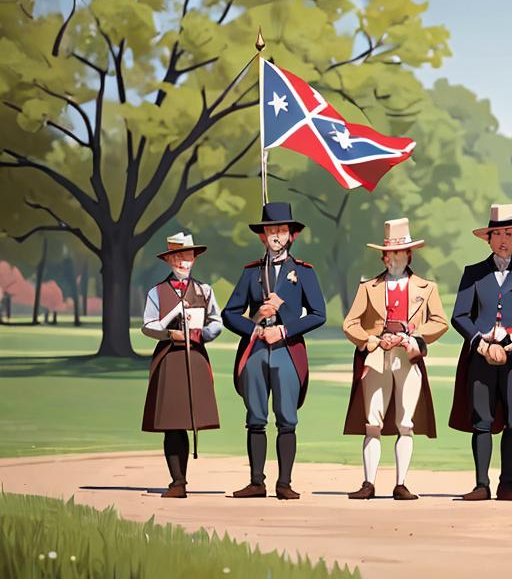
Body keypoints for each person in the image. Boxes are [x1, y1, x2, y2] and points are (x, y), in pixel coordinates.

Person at [222, 202, 326, 500]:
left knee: (286, 417)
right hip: (255, 349)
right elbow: (230, 313)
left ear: (292, 235)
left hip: (287, 350)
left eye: (282, 230)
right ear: (262, 236)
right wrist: (254, 326)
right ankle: (256, 482)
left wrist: (284, 328)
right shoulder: (251, 272)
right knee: (255, 415)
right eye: (271, 230)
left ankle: (284, 483)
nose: (276, 235)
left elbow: (319, 314)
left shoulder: (303, 272)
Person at [342, 218, 448, 500]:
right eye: (389, 253)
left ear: (409, 254)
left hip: (407, 355)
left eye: (399, 253)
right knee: (372, 420)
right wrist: (372, 340)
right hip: (377, 356)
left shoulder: (427, 288)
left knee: (406, 422)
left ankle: (401, 483)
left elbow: (440, 321)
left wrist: (413, 336)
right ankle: (368, 482)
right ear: (383, 256)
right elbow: (350, 323)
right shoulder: (369, 287)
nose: (393, 258)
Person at [448, 203, 512, 501]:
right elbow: (460, 316)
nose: (503, 240)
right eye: (497, 234)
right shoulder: (473, 273)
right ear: (488, 240)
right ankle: (481, 483)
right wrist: (481, 343)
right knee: (482, 420)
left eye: (509, 234)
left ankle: (508, 484)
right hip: (480, 356)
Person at [141, 231, 222, 498]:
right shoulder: (157, 292)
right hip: (169, 359)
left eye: (186, 255)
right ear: (169, 260)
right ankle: (178, 481)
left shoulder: (205, 290)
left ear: (194, 259)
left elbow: (216, 323)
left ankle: (180, 479)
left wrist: (202, 335)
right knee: (172, 422)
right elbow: (148, 325)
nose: (182, 261)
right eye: (177, 256)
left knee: (191, 418)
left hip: (195, 357)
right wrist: (168, 333)